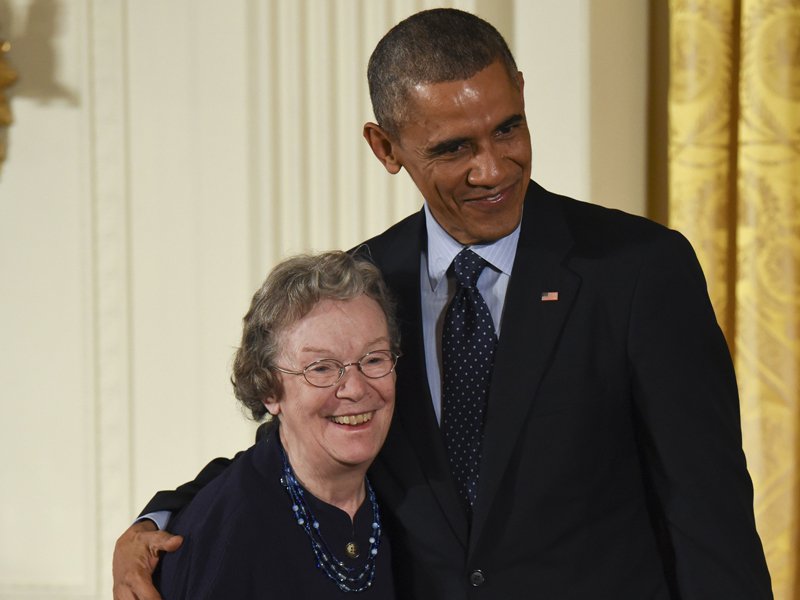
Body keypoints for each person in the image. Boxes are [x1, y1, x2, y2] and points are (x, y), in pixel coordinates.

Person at [114, 8, 773, 599]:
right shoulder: (363, 282)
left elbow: (706, 505)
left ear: (520, 92)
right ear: (386, 148)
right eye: (455, 148)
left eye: (507, 129)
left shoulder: (637, 271)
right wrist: (163, 518)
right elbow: (293, 443)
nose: (492, 168)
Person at [154, 251, 399, 598]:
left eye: (374, 359)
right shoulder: (229, 534)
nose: (356, 389)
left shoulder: (400, 493)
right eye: (321, 368)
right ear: (269, 389)